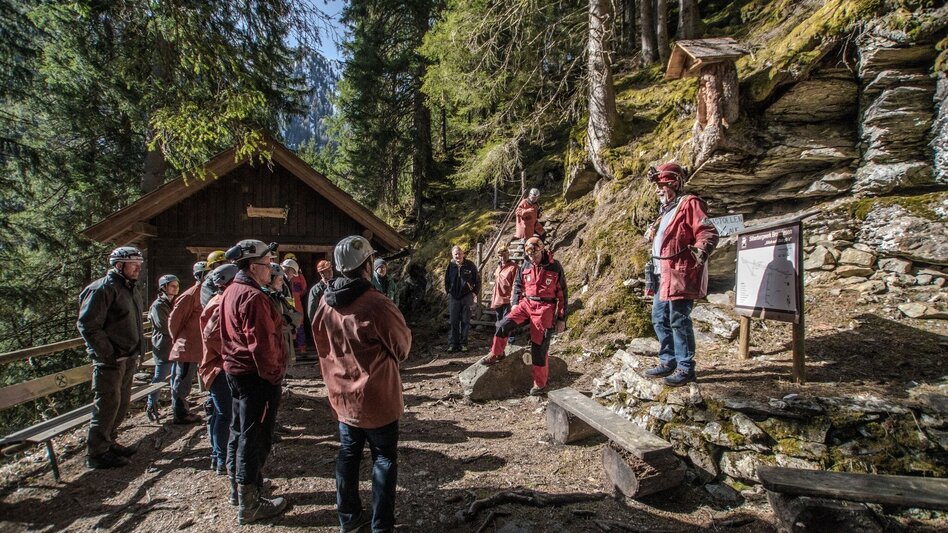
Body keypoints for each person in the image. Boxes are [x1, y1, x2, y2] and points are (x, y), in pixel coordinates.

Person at [312, 235, 412, 533]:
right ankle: (381, 527)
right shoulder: (376, 304)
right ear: (367, 264)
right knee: (383, 459)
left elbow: (320, 343)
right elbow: (402, 347)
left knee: (348, 454)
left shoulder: (325, 303)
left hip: (342, 398)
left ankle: (349, 519)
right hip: (377, 400)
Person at [220, 239, 287, 524]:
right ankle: (250, 502)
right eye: (267, 263)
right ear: (253, 266)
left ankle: (242, 488)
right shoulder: (253, 297)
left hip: (236, 374)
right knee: (255, 437)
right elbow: (262, 346)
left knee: (240, 431)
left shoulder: (232, 290)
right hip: (256, 378)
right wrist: (274, 377)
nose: (271, 268)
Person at [642, 163, 719, 387]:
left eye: (661, 185)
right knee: (659, 319)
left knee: (678, 320)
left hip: (679, 273)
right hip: (661, 274)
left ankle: (685, 367)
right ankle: (668, 360)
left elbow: (706, 230)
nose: (658, 190)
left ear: (674, 183)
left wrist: (702, 249)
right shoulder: (666, 210)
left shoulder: (689, 203)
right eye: (656, 185)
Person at [77, 246, 147, 469]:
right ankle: (96, 453)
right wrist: (109, 354)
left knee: (121, 403)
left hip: (128, 357)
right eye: (133, 264)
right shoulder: (102, 289)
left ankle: (109, 442)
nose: (138, 268)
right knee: (107, 404)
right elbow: (88, 325)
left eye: (139, 264)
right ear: (119, 265)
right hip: (110, 361)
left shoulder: (129, 288)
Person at [482, 237, 567, 396]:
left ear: (541, 250)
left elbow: (562, 295)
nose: (532, 258)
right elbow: (518, 285)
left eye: (534, 255)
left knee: (539, 346)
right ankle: (497, 353)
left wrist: (561, 318)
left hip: (545, 307)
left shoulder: (555, 267)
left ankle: (540, 384)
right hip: (526, 303)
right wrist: (515, 303)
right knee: (502, 325)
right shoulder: (525, 264)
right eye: (529, 255)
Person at [199, 263, 239, 478]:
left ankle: (218, 456)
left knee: (219, 414)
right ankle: (222, 457)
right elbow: (211, 335)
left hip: (217, 366)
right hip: (219, 368)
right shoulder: (220, 303)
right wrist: (233, 354)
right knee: (225, 415)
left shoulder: (218, 300)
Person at [167, 261, 207, 425]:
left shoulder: (203, 293)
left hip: (196, 346)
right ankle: (180, 414)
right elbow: (174, 321)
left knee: (185, 380)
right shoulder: (190, 295)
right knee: (181, 380)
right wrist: (178, 340)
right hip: (186, 346)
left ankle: (182, 407)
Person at [146, 274, 180, 422]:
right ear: (164, 287)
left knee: (175, 376)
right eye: (172, 285)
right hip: (164, 346)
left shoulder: (173, 303)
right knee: (160, 377)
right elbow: (164, 326)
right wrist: (180, 328)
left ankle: (176, 406)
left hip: (174, 345)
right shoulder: (158, 305)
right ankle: (151, 405)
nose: (176, 288)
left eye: (177, 286)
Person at [266, 262, 302, 372]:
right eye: (280, 280)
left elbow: (294, 314)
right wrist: (287, 321)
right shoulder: (266, 298)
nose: (282, 283)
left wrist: (291, 322)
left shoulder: (278, 297)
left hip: (283, 337)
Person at [444, 245, 479, 352]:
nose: (458, 256)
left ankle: (464, 344)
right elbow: (446, 281)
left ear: (463, 254)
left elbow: (477, 280)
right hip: (454, 297)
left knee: (465, 321)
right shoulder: (450, 266)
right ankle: (453, 344)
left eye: (459, 253)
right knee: (453, 321)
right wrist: (448, 292)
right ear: (453, 255)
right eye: (456, 254)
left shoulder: (470, 265)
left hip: (467, 297)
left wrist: (474, 293)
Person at [281, 254, 308, 353]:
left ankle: (302, 348)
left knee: (299, 325)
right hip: (285, 306)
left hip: (297, 304)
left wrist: (296, 295)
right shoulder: (279, 278)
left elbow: (304, 290)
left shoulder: (299, 277)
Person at [490, 247, 518, 324]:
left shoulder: (514, 267)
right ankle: (499, 336)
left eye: (505, 255)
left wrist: (513, 299)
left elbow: (516, 284)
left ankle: (509, 336)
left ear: (508, 254)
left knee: (507, 321)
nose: (503, 257)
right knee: (499, 321)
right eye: (501, 255)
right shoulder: (498, 267)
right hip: (498, 299)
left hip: (508, 299)